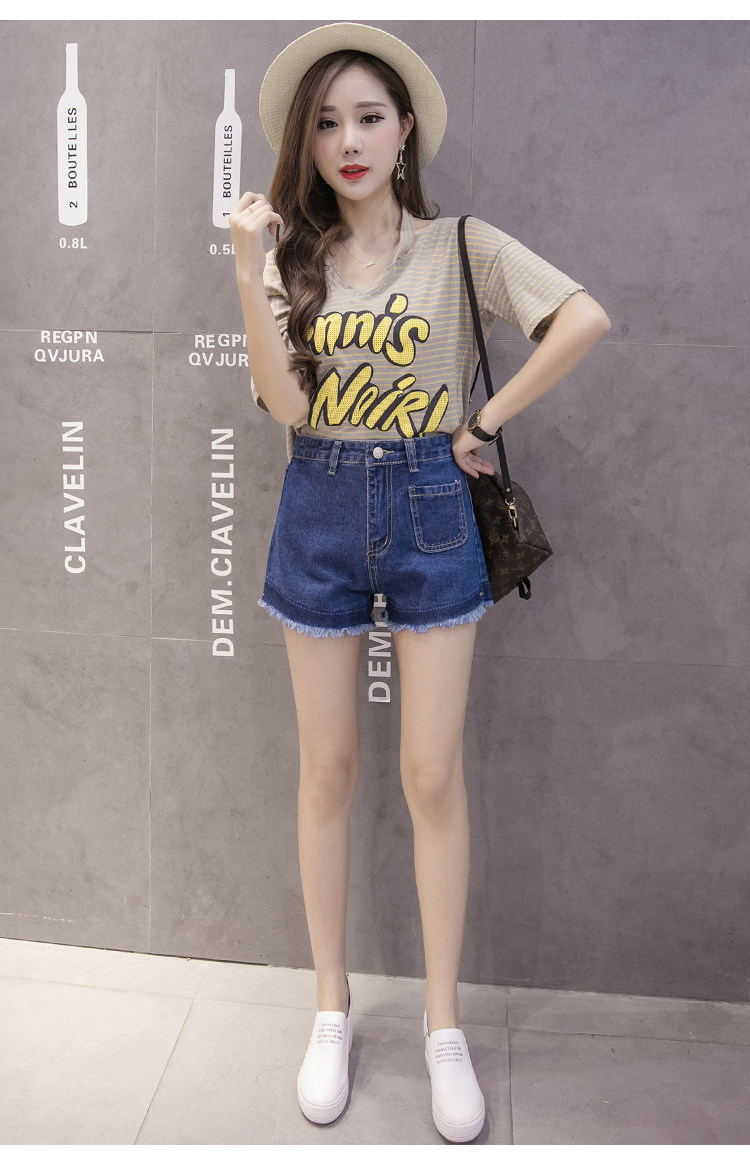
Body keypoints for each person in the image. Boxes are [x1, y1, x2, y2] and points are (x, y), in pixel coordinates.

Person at [229, 21, 610, 1144]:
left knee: (432, 773)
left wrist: (481, 421)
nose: (349, 140)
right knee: (327, 770)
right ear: (306, 143)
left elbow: (582, 317)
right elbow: (286, 406)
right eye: (328, 123)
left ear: (405, 133)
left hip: (435, 505)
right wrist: (246, 269)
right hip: (319, 502)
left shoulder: (459, 247)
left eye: (369, 118)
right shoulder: (294, 259)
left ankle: (444, 1024)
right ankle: (331, 1006)